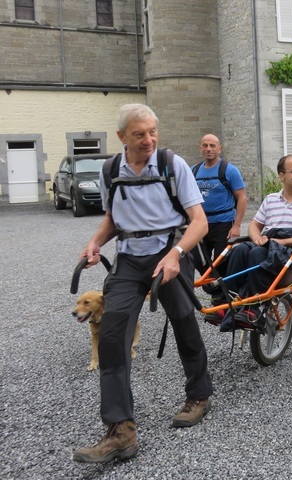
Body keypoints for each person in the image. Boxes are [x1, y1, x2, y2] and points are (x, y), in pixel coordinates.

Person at [73, 104, 213, 464]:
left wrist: (176, 253)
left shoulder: (171, 164)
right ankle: (121, 430)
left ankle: (199, 394)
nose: (149, 139)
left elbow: (199, 222)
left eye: (153, 132)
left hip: (170, 252)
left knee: (184, 321)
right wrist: (95, 242)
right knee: (112, 334)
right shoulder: (110, 170)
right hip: (130, 260)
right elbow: (112, 218)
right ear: (122, 137)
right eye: (140, 134)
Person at [218, 154, 292, 329]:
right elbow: (254, 225)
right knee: (239, 250)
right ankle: (228, 301)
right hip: (269, 242)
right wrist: (256, 237)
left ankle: (253, 308)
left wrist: (284, 242)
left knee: (256, 252)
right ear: (281, 176)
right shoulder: (271, 199)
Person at [192, 134, 247, 275]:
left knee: (221, 262)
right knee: (198, 260)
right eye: (205, 145)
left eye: (212, 146)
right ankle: (216, 290)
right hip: (201, 224)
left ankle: (220, 294)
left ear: (219, 149)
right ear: (200, 149)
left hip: (223, 224)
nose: (208, 149)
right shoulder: (193, 171)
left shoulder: (229, 170)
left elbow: (242, 198)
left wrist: (237, 226)